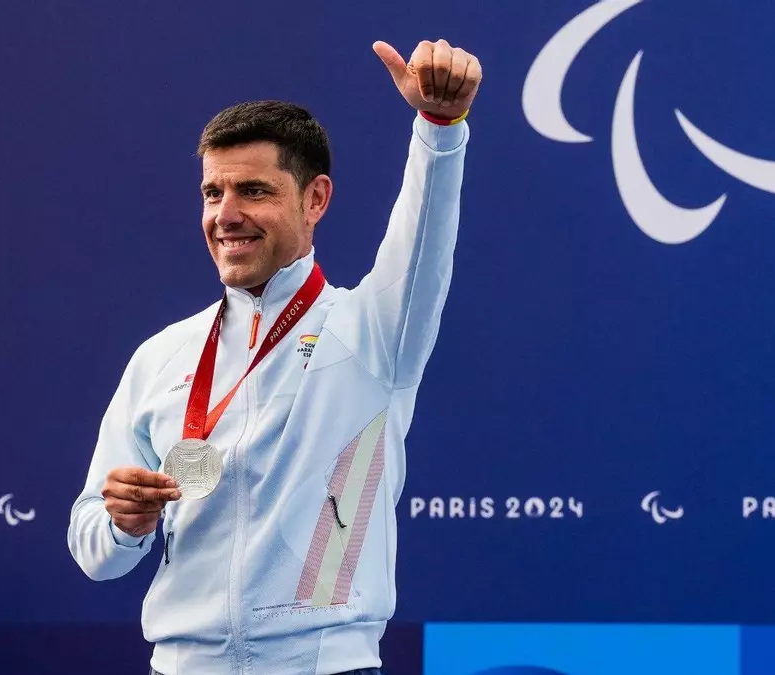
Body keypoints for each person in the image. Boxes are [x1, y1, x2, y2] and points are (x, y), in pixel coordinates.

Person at [67, 37, 481, 675]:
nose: (226, 215)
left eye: (253, 191)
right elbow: (94, 548)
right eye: (212, 193)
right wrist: (123, 522)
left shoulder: (373, 332)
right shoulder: (161, 356)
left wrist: (439, 129)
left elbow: (423, 236)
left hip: (325, 664)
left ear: (315, 199)